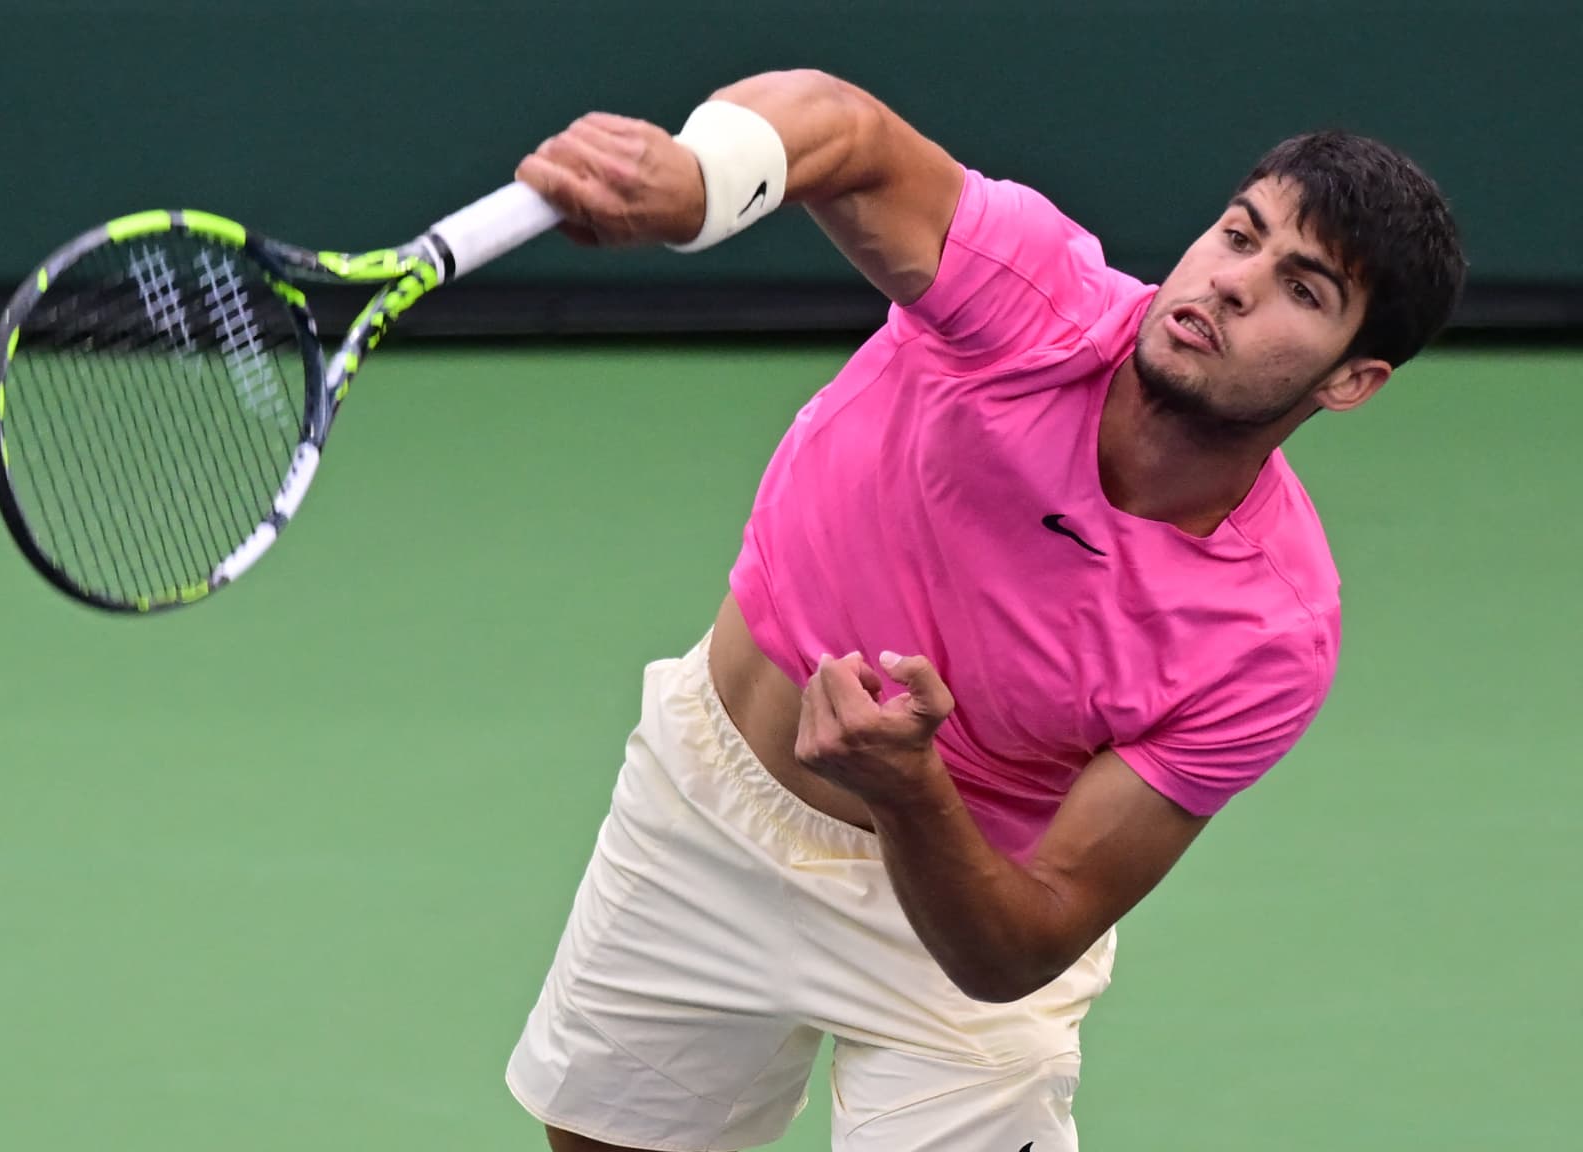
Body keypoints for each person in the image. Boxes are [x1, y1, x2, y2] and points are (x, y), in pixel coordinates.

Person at [502, 68, 1465, 1152]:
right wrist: (698, 179)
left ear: (1349, 380)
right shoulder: (1032, 299)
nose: (1233, 283)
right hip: (708, 814)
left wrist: (909, 788)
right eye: (1238, 235)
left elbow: (1017, 948)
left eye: (1301, 289)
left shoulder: (1265, 635)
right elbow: (843, 128)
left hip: (962, 921)